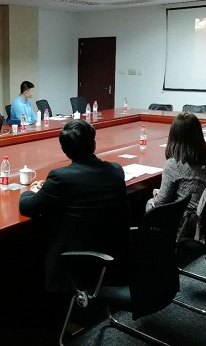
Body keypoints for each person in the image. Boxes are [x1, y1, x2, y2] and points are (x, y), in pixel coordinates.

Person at [18, 119, 130, 293]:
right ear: (94, 144)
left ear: (64, 150)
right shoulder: (116, 170)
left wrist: (29, 192)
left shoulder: (60, 178)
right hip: (115, 251)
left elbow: (27, 207)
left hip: (79, 258)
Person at [146, 112, 206, 235]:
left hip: (185, 223)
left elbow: (160, 203)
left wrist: (154, 199)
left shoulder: (174, 164)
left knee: (149, 204)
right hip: (205, 218)